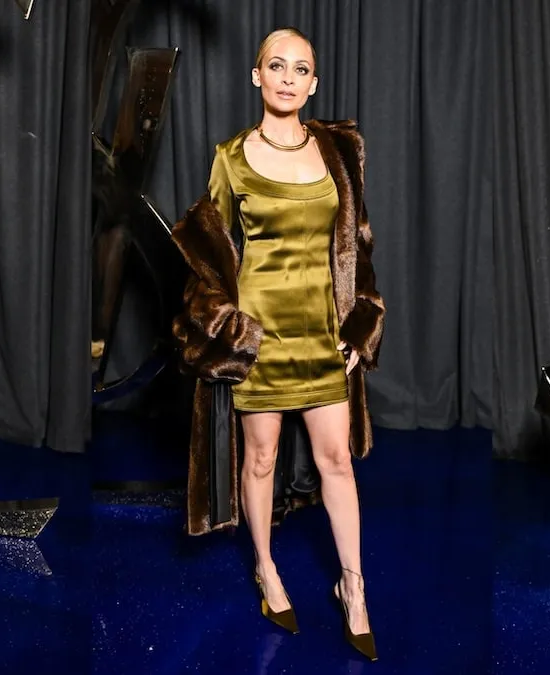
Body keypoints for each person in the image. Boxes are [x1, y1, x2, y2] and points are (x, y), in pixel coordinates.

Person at [170, 27, 385, 661]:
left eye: (301, 69)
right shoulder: (230, 158)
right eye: (276, 66)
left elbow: (358, 245)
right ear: (256, 77)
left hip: (320, 331)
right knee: (259, 460)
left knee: (337, 461)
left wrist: (359, 325)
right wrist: (231, 332)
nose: (288, 77)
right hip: (260, 339)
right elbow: (208, 263)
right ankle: (266, 568)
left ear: (313, 83)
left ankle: (354, 585)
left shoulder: (339, 152)